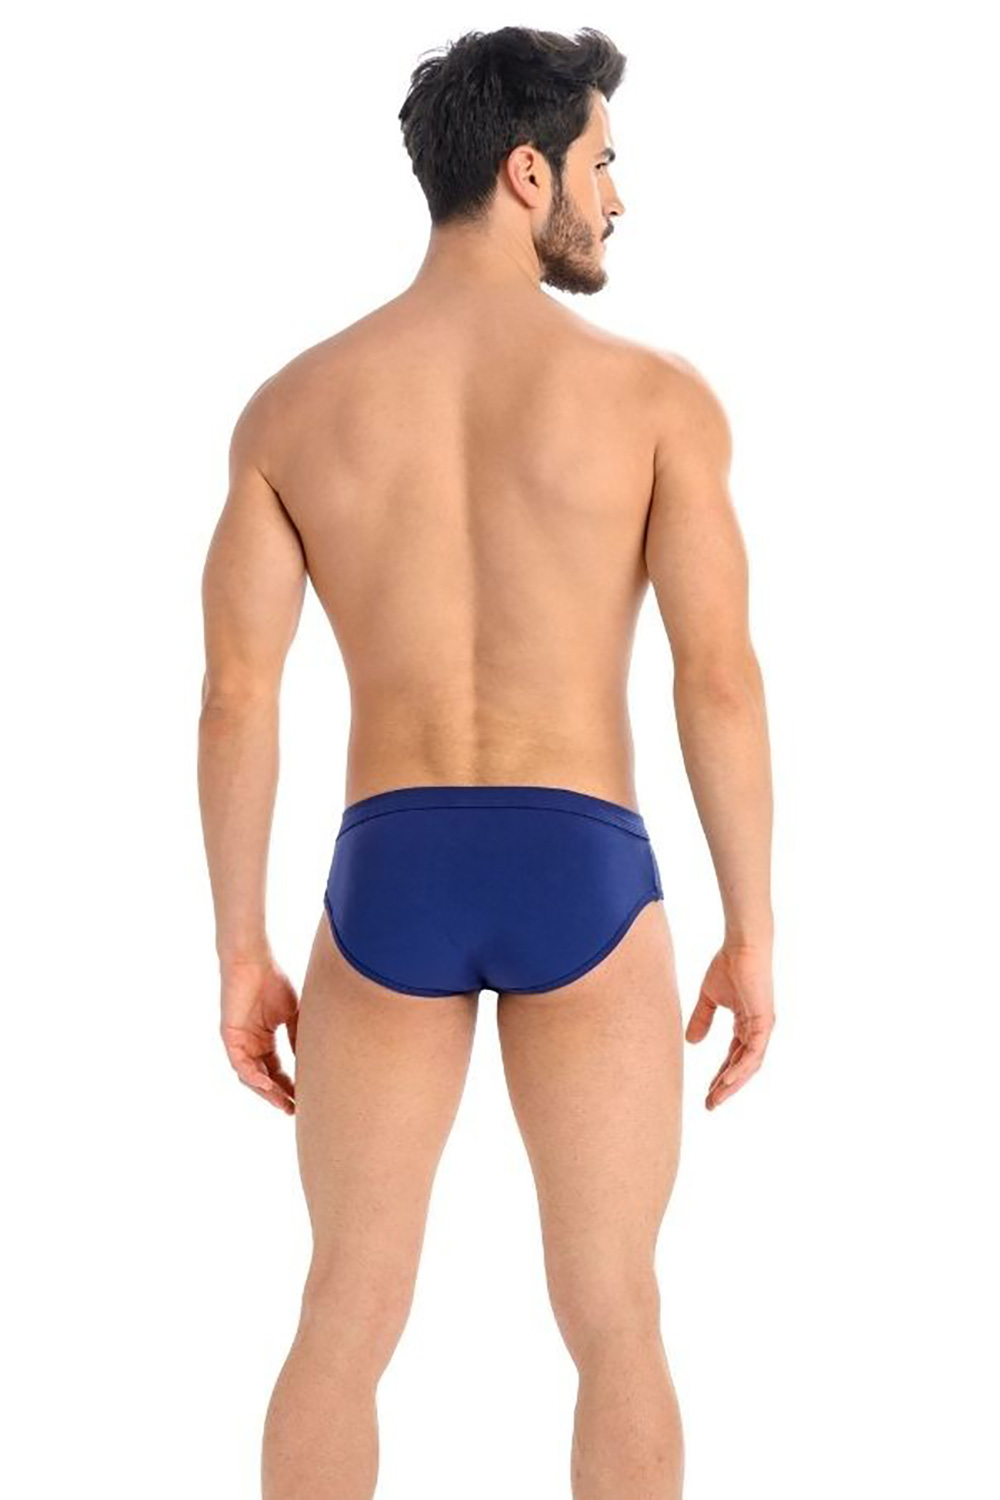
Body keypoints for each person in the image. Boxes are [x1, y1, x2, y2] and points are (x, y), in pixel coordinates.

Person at [197, 25, 775, 1500]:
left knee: (343, 1313)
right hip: (582, 862)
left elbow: (238, 697)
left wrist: (243, 951)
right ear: (529, 173)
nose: (617, 198)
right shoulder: (656, 400)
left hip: (388, 868)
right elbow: (716, 676)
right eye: (603, 164)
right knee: (616, 1316)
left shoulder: (292, 409)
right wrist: (752, 932)